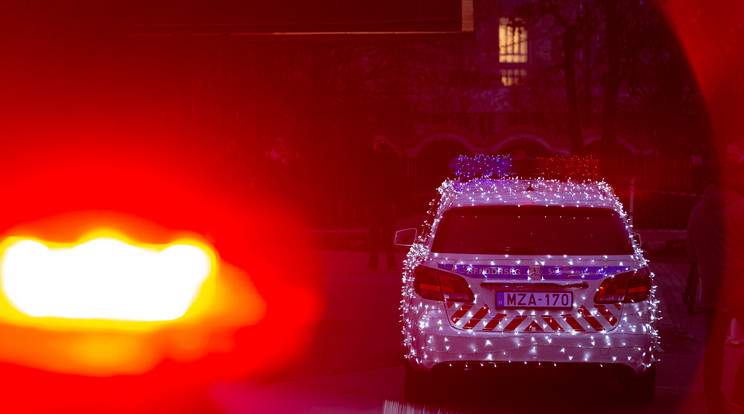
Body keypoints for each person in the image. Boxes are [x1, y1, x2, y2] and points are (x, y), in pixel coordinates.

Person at [688, 157, 744, 414]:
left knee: (713, 352)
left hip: (711, 291)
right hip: (739, 290)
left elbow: (692, 251)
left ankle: (714, 403)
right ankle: (739, 395)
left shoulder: (697, 210)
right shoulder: (740, 208)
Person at [363, 134, 403, 270]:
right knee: (373, 231)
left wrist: (389, 152)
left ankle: (390, 259)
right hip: (373, 199)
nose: (380, 145)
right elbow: (364, 171)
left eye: (382, 142)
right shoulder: (369, 157)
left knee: (388, 231)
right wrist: (375, 154)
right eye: (377, 142)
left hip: (386, 199)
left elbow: (397, 170)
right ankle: (373, 260)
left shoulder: (390, 157)